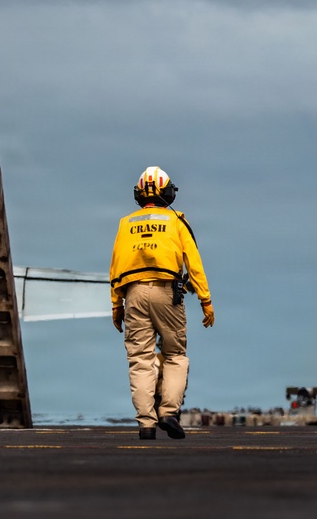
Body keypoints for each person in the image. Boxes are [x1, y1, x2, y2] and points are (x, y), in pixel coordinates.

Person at [110, 166, 215, 439]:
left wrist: (116, 305)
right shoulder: (176, 221)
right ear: (168, 193)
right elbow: (194, 263)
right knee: (175, 355)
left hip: (133, 294)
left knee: (140, 360)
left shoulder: (126, 223)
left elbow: (115, 267)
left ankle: (146, 424)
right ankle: (168, 412)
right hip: (167, 292)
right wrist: (206, 300)